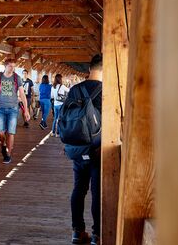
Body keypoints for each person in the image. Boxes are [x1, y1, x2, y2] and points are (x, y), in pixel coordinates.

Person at [64, 54, 102, 245]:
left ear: (89, 69)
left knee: (79, 188)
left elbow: (64, 118)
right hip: (98, 150)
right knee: (97, 192)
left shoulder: (75, 90)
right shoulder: (107, 91)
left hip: (77, 149)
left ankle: (77, 232)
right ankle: (97, 235)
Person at [0, 59, 30, 164]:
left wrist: (26, 110)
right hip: (0, 108)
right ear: (5, 66)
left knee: (10, 133)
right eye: (10, 66)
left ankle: (8, 155)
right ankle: (3, 145)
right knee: (0, 133)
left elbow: (22, 94)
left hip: (13, 109)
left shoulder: (17, 78)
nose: (12, 68)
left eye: (14, 66)